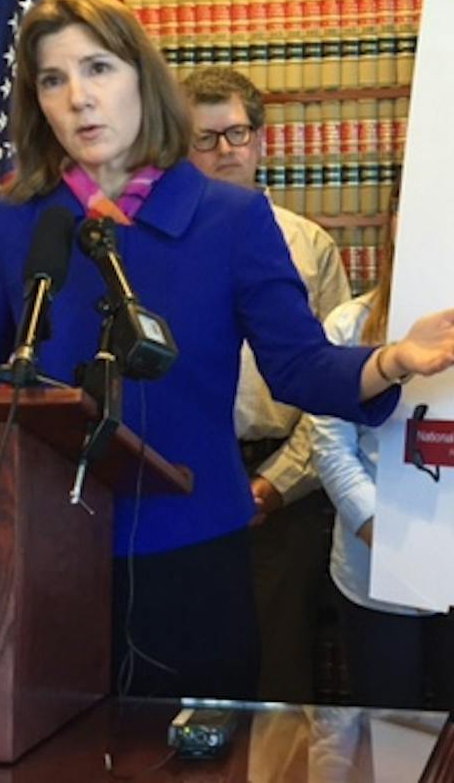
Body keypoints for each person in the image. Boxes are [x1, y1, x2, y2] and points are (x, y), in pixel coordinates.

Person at [0, 0, 454, 700]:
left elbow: (301, 368)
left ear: (142, 78)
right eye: (52, 79)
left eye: (98, 68)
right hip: (47, 553)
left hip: (192, 548)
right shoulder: (18, 220)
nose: (78, 97)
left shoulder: (230, 217)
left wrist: (392, 360)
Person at [311, 184, 454, 782]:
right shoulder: (350, 323)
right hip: (376, 568)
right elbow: (330, 442)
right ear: (395, 223)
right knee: (389, 751)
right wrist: (382, 529)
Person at [181, 65, 352, 704]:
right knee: (182, 675)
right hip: (176, 486)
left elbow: (333, 387)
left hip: (280, 496)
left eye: (237, 133)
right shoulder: (149, 245)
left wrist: (275, 487)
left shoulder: (308, 245)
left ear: (260, 140)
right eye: (205, 138)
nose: (225, 151)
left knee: (278, 680)